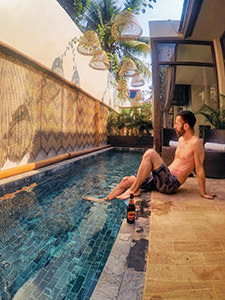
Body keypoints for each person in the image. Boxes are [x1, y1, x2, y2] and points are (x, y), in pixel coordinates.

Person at [105, 110, 215, 201]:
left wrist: (203, 193)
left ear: (186, 126)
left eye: (177, 124)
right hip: (162, 178)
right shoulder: (181, 140)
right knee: (126, 180)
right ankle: (105, 200)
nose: (175, 126)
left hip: (170, 184)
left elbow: (199, 169)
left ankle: (133, 190)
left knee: (150, 153)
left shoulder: (196, 143)